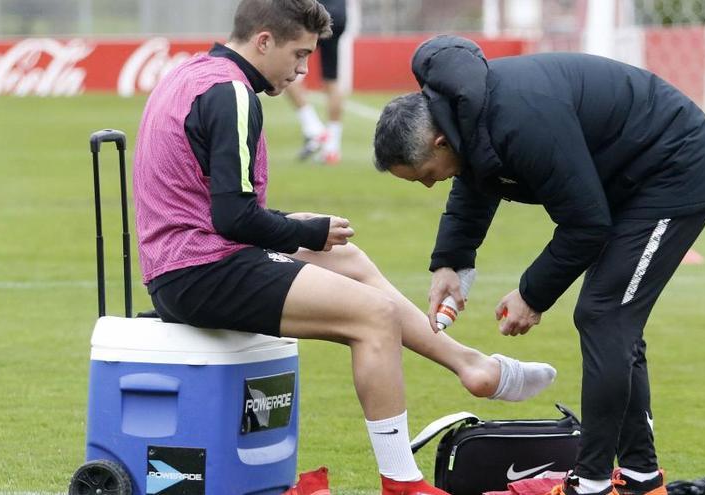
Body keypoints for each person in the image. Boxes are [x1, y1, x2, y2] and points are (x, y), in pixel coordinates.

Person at [132, 5, 557, 495]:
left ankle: (471, 365)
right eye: (299, 54)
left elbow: (216, 208)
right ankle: (402, 482)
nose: (302, 70)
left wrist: (302, 230)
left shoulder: (192, 71)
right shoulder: (231, 93)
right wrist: (307, 232)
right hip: (200, 268)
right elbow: (234, 218)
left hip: (186, 257)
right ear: (264, 42)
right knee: (373, 315)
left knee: (349, 260)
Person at [373, 35, 705, 495]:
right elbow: (476, 181)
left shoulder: (517, 120)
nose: (431, 185)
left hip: (673, 169)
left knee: (604, 313)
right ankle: (640, 478)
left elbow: (587, 225)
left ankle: (591, 484)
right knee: (610, 318)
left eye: (427, 175)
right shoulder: (464, 113)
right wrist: (452, 263)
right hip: (630, 180)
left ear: (438, 141)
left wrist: (532, 294)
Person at [284, 0, 346, 164]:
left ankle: (314, 129)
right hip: (339, 15)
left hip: (313, 15)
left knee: (285, 71)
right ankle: (332, 148)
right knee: (331, 80)